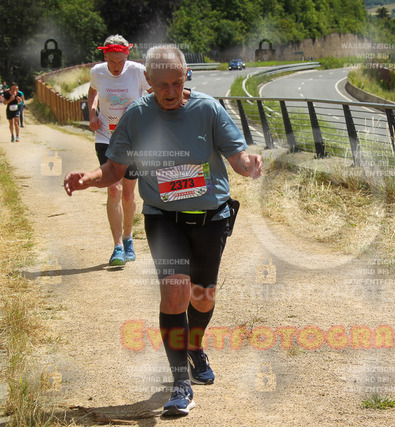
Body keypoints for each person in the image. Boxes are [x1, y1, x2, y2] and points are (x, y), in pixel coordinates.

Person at [64, 46, 262, 416]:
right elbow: (113, 169)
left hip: (211, 218)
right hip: (163, 217)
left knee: (202, 297)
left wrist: (249, 163)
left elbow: (237, 157)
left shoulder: (208, 109)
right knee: (174, 294)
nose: (170, 92)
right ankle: (180, 384)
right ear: (148, 82)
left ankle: (194, 345)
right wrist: (88, 178)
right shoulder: (137, 115)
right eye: (162, 85)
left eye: (177, 83)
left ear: (186, 77)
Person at [88, 34, 151, 266]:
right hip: (106, 137)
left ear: (127, 56)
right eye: (112, 61)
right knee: (113, 189)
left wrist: (142, 113)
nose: (116, 67)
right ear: (105, 56)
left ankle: (128, 238)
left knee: (128, 193)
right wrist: (92, 113)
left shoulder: (138, 71)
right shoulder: (97, 72)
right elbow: (93, 92)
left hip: (132, 139)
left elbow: (155, 94)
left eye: (120, 61)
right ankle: (117, 247)